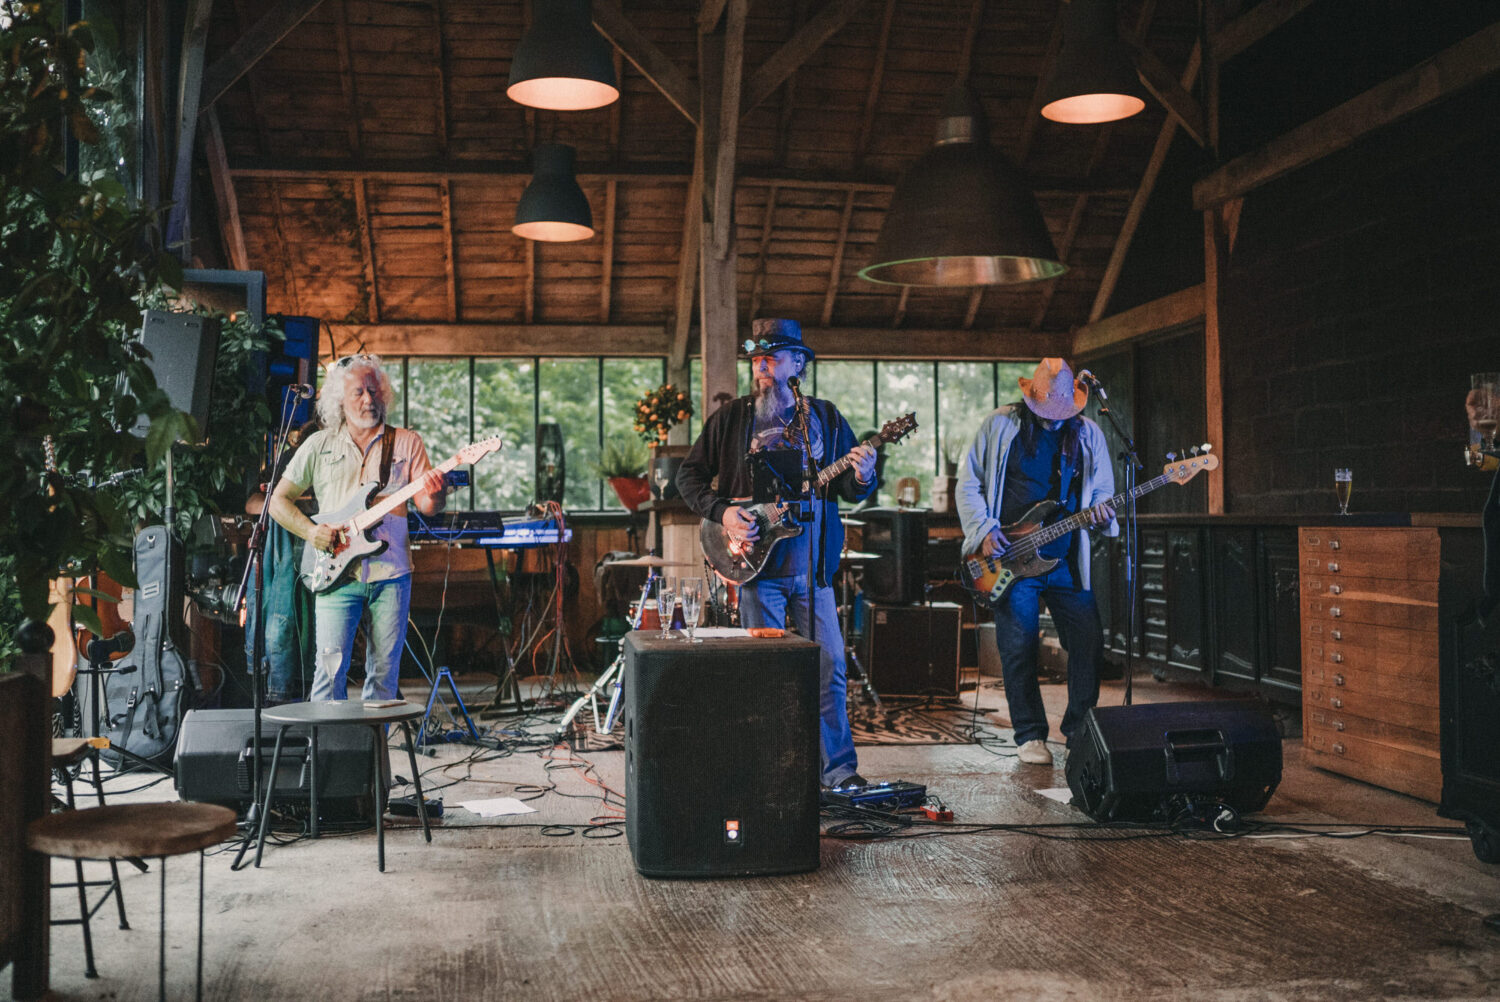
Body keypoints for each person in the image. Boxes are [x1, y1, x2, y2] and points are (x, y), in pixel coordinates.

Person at [677, 318, 878, 789]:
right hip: (755, 566)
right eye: (756, 358)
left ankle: (839, 773)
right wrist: (724, 512)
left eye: (772, 357)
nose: (761, 366)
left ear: (798, 364)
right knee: (762, 675)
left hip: (814, 570)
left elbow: (849, 487)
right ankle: (765, 772)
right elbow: (688, 478)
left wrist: (864, 474)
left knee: (829, 670)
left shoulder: (825, 418)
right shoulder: (731, 418)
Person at [956, 358, 1117, 765]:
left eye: (1061, 413)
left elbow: (1102, 489)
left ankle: (1080, 729)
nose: (1053, 420)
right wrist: (984, 529)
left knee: (1088, 642)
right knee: (1019, 645)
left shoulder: (1087, 433)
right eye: (1047, 412)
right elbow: (970, 480)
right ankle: (1030, 735)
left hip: (1064, 560)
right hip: (1010, 555)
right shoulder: (1001, 425)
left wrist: (1101, 512)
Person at [267, 354, 447, 701]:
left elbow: (427, 506)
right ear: (339, 400)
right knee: (328, 675)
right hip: (335, 574)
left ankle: (373, 755)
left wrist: (437, 496)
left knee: (384, 678)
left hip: (391, 574)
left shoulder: (408, 442)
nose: (369, 399)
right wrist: (311, 532)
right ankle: (326, 754)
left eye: (375, 391)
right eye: (359, 392)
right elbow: (277, 501)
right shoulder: (318, 445)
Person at [244, 419, 319, 704]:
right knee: (280, 625)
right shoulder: (290, 459)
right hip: (288, 553)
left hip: (324, 553)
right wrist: (284, 507)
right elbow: (252, 502)